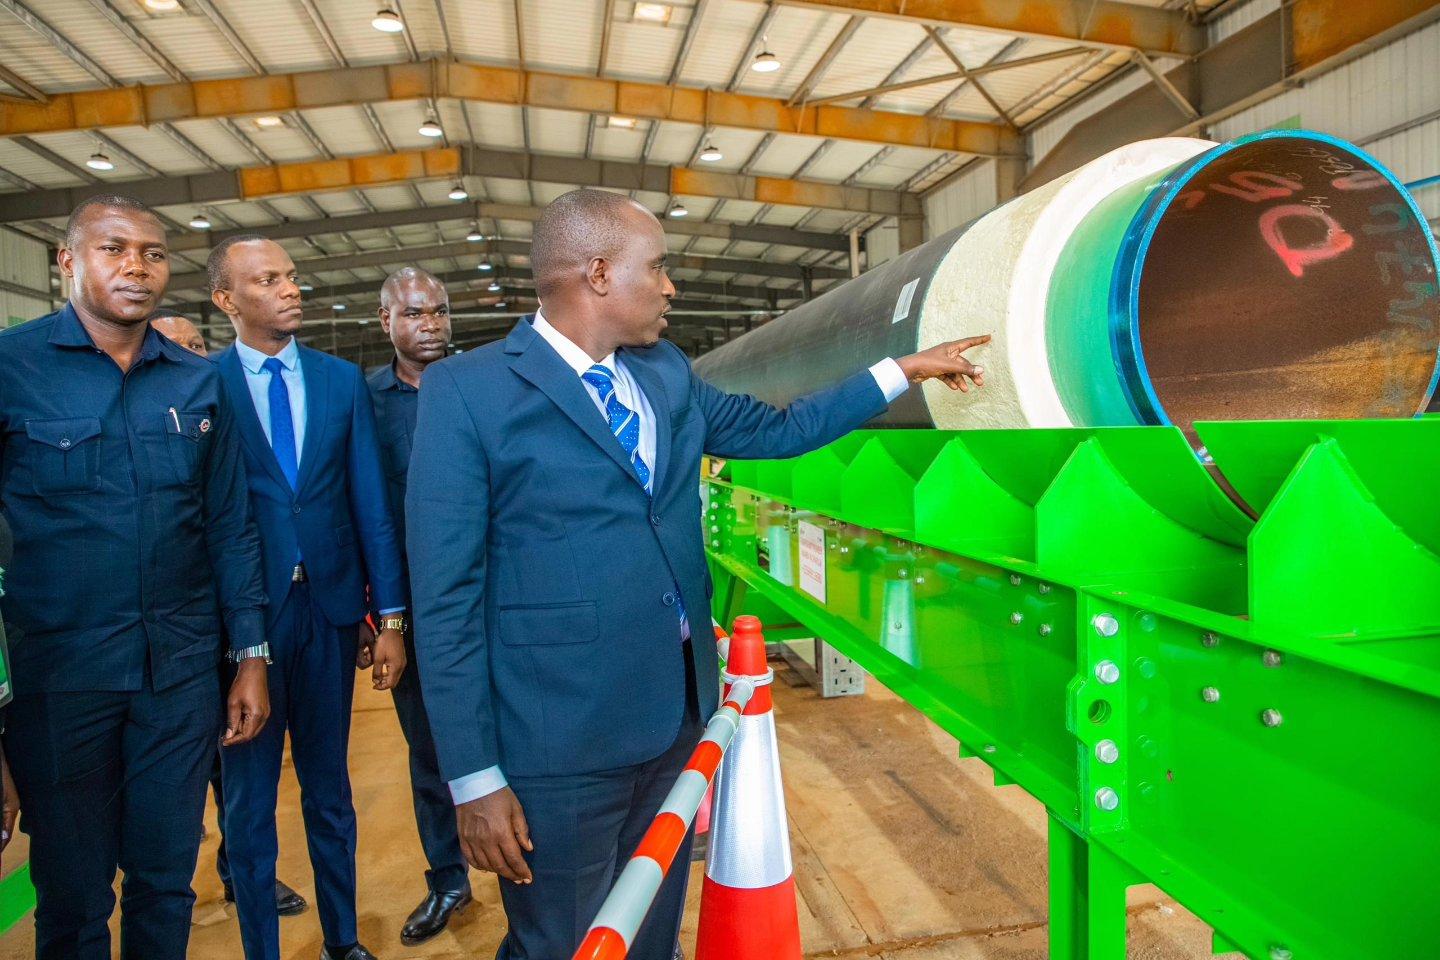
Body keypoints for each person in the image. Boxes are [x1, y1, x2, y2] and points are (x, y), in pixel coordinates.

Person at [405, 188, 989, 960]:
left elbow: (779, 430)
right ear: (599, 274)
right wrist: (474, 777)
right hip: (558, 742)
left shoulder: (664, 372)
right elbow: (445, 598)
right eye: (658, 268)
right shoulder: (468, 391)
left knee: (651, 931)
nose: (671, 286)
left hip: (674, 715)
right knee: (564, 944)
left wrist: (902, 370)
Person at [0, 195, 270, 960]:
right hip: (60, 684)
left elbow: (230, 527)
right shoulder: (12, 369)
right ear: (68, 261)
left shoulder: (197, 382)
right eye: (113, 249)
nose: (136, 267)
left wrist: (251, 655)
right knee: (74, 896)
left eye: (152, 253)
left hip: (177, 680)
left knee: (165, 882)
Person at [209, 235, 407, 960]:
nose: (290, 289)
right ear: (226, 300)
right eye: (268, 280)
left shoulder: (337, 381)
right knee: (249, 803)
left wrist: (390, 615)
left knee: (330, 791)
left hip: (329, 613)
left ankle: (343, 939)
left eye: (291, 276)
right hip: (244, 625)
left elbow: (370, 503)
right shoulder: (204, 384)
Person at [148, 309, 310, 920]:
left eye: (198, 346)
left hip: (241, 622)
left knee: (239, 771)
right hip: (181, 634)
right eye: (177, 348)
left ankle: (242, 874)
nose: (193, 359)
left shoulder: (218, 420)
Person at [365, 267, 472, 945]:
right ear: (387, 321)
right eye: (414, 313)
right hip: (414, 611)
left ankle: (536, 870)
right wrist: (382, 621)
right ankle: (449, 880)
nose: (430, 324)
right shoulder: (366, 404)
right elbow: (363, 513)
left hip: (491, 601)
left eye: (438, 311)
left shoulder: (479, 384)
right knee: (430, 753)